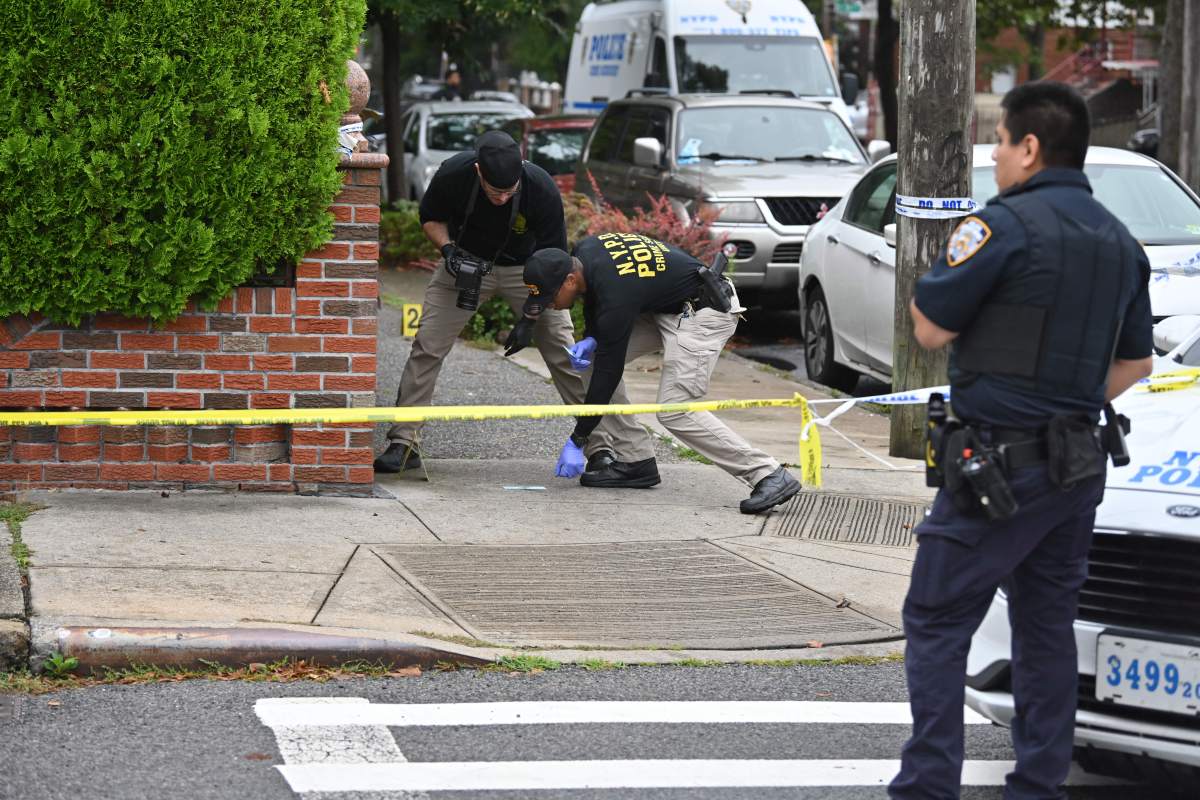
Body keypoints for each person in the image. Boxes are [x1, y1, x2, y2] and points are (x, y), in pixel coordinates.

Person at [889, 82, 1153, 800]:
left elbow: (929, 328)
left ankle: (926, 785)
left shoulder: (1001, 228)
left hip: (997, 468)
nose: (997, 157)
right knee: (1046, 629)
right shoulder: (1120, 243)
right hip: (1076, 466)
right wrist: (1065, 403)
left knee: (936, 616)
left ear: (1030, 147)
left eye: (1000, 143)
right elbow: (1136, 364)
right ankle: (1038, 785)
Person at [374, 131, 643, 473]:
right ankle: (404, 441)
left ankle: (597, 447)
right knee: (427, 346)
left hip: (530, 269)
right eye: (493, 191)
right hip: (465, 263)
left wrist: (531, 316)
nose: (501, 199)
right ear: (478, 172)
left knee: (565, 354)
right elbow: (431, 218)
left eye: (508, 191)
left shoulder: (540, 187)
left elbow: (556, 261)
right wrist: (448, 250)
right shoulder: (453, 174)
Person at [520, 233, 801, 513]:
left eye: (550, 297)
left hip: (705, 314)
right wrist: (593, 337)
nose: (550, 306)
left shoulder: (615, 289)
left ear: (570, 280)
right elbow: (597, 300)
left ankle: (767, 473)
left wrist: (578, 440)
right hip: (668, 308)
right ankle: (635, 461)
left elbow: (609, 367)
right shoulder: (587, 250)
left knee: (674, 410)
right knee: (591, 360)